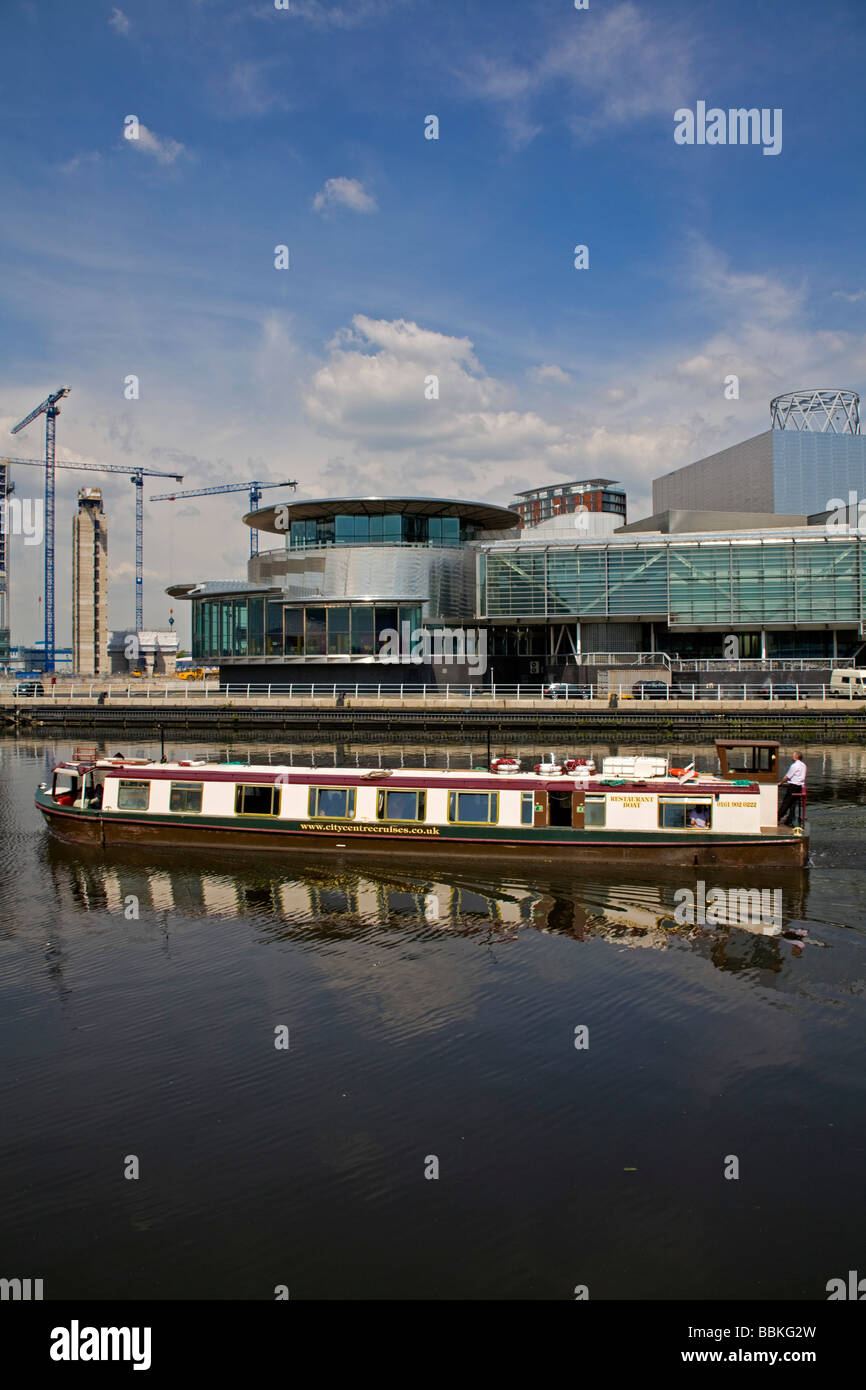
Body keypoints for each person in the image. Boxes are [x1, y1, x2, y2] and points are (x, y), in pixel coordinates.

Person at [779, 750, 807, 825]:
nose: (792, 756)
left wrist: (781, 783)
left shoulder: (794, 766)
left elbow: (787, 776)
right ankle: (790, 819)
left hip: (793, 786)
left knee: (786, 802)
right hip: (800, 786)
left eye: (793, 755)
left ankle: (778, 816)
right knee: (793, 803)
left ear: (796, 757)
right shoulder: (804, 765)